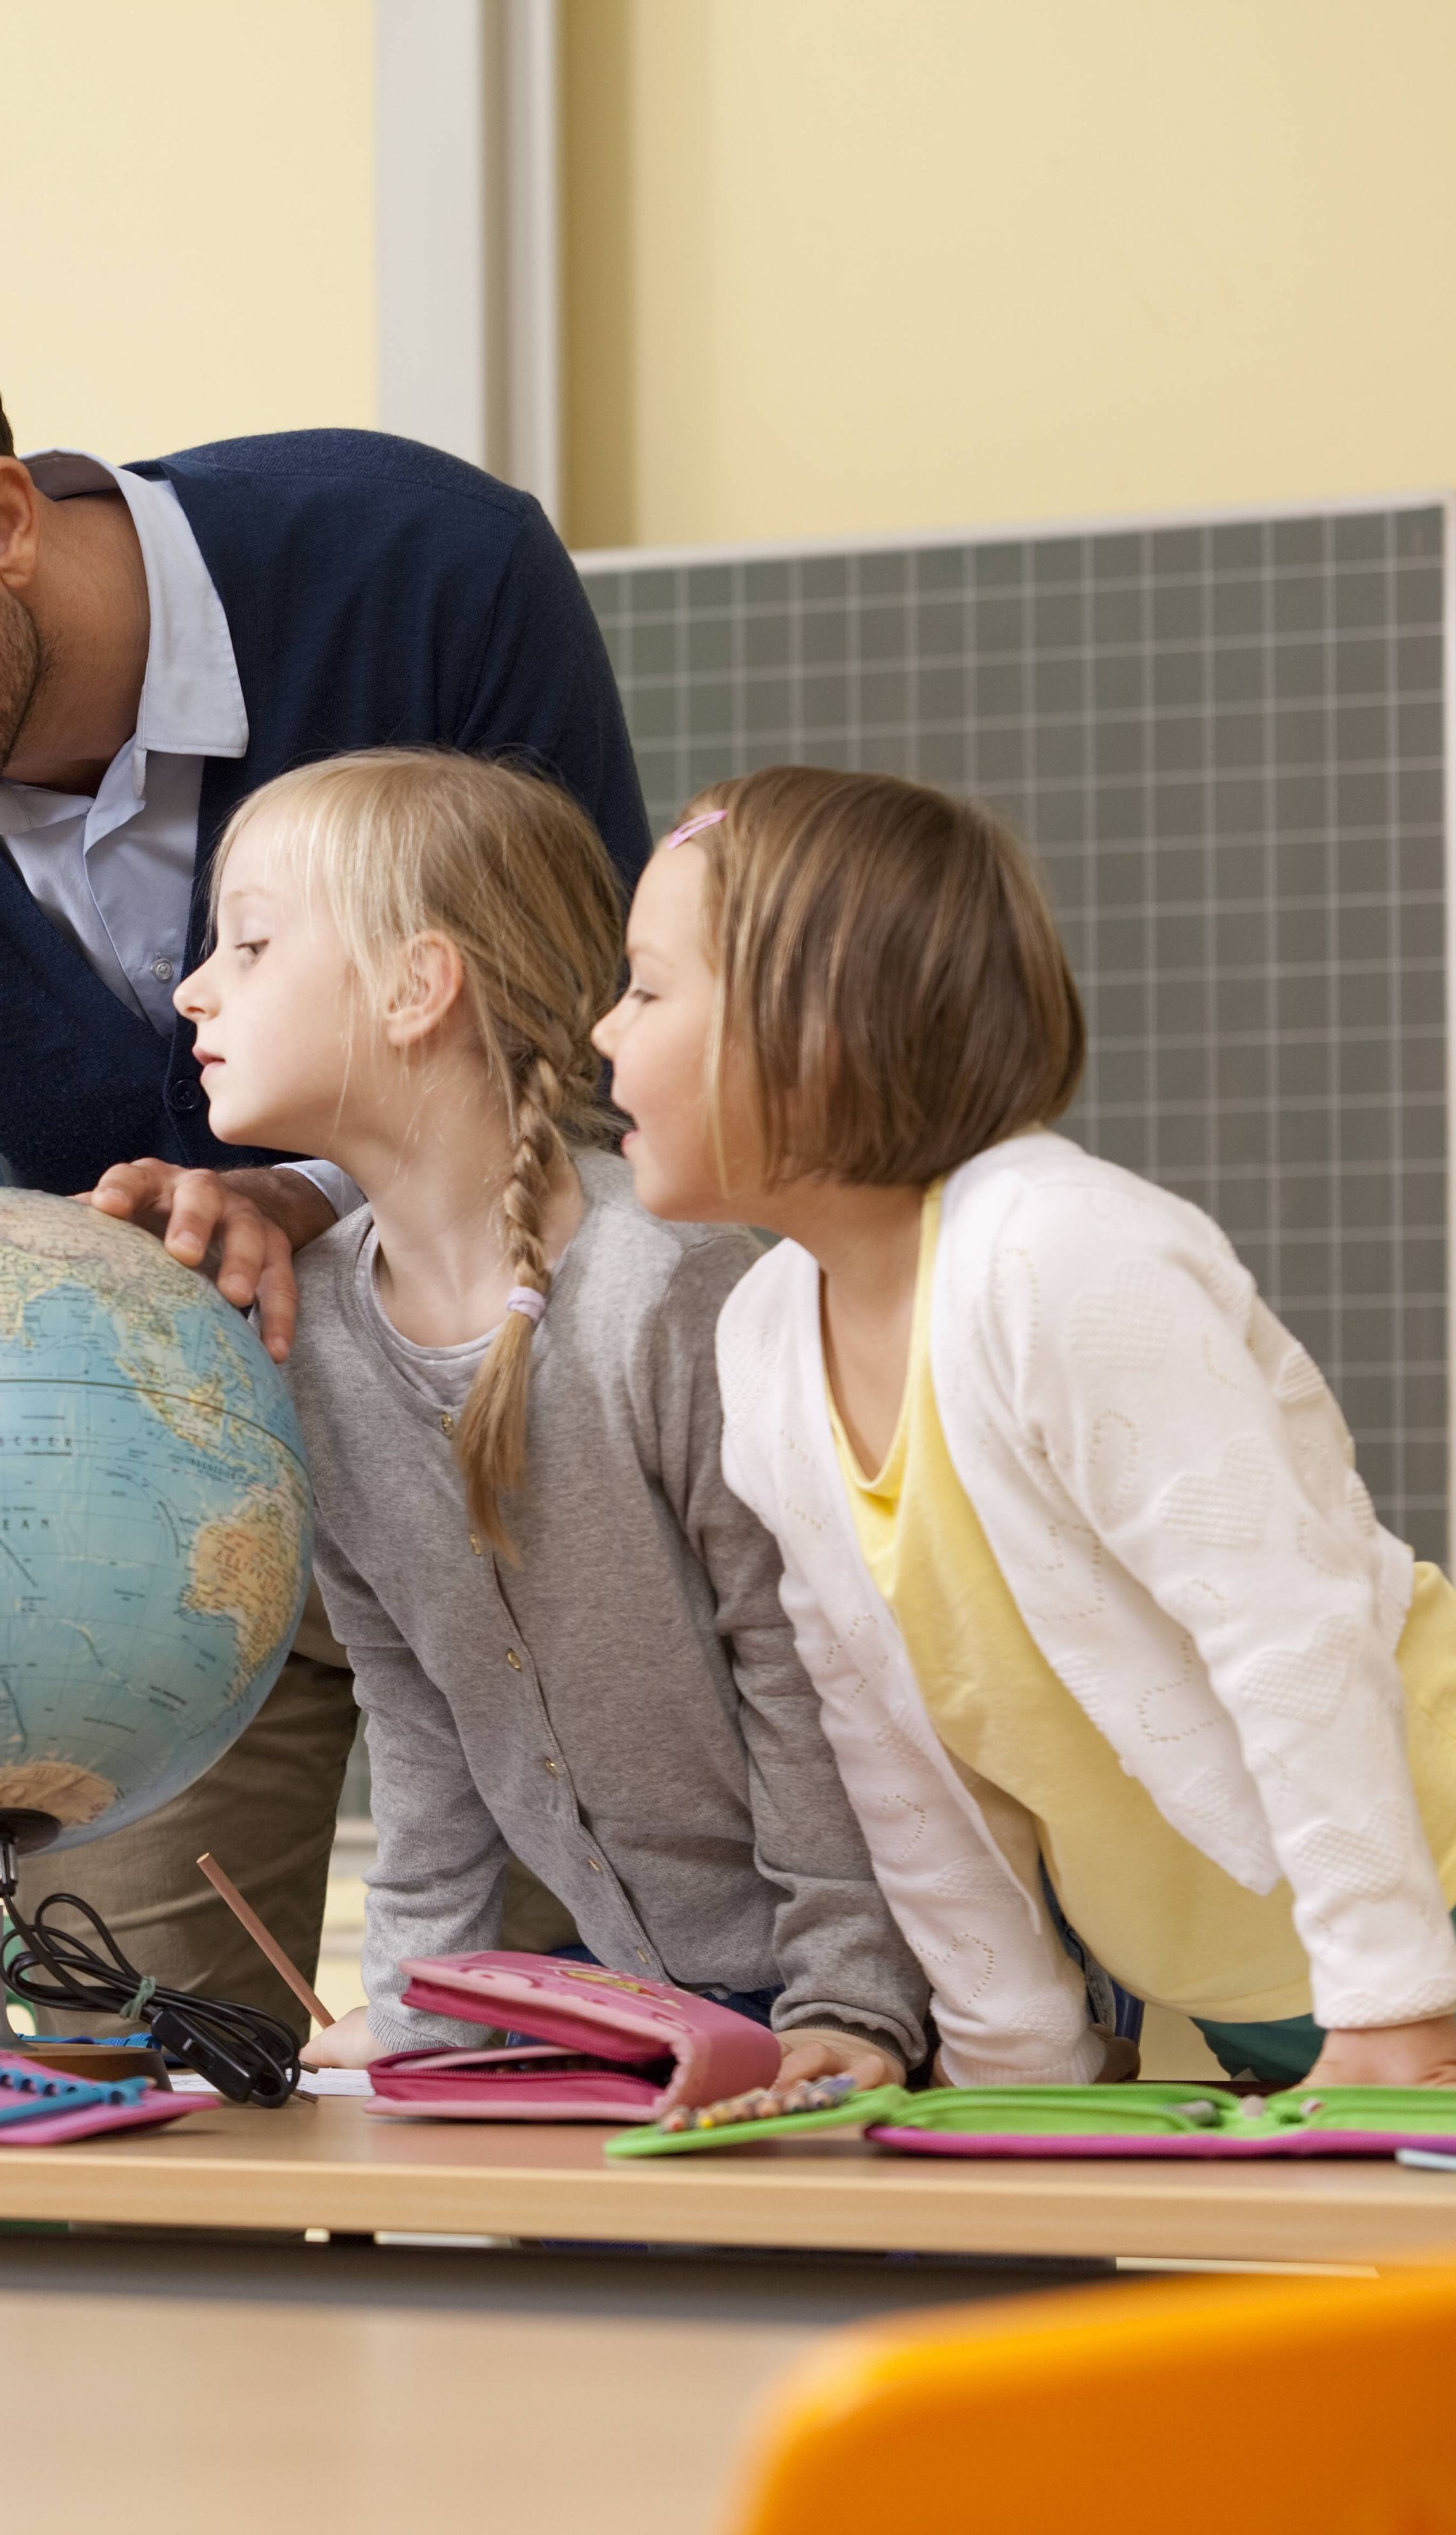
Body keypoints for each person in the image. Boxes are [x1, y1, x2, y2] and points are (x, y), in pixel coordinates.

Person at [0, 245, 646, 2022]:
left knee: (560, 2069)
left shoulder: (429, 570)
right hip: (114, 1530)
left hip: (506, 1448)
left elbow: (581, 1042)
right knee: (106, 2103)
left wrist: (309, 1194)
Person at [594, 767, 1456, 2101]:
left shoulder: (1057, 1252)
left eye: (646, 987)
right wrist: (1015, 2070)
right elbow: (897, 1750)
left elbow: (1288, 1628)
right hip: (1255, 1982)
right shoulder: (763, 1340)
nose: (602, 1028)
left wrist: (1390, 2005)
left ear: (811, 1028)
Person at [170, 750, 928, 2085]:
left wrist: (850, 2003)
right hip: (645, 2003)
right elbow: (415, 1707)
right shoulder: (318, 1342)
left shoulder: (669, 1287)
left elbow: (815, 1665)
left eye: (250, 942)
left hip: (869, 1993)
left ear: (418, 986)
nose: (195, 986)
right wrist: (424, 2004)